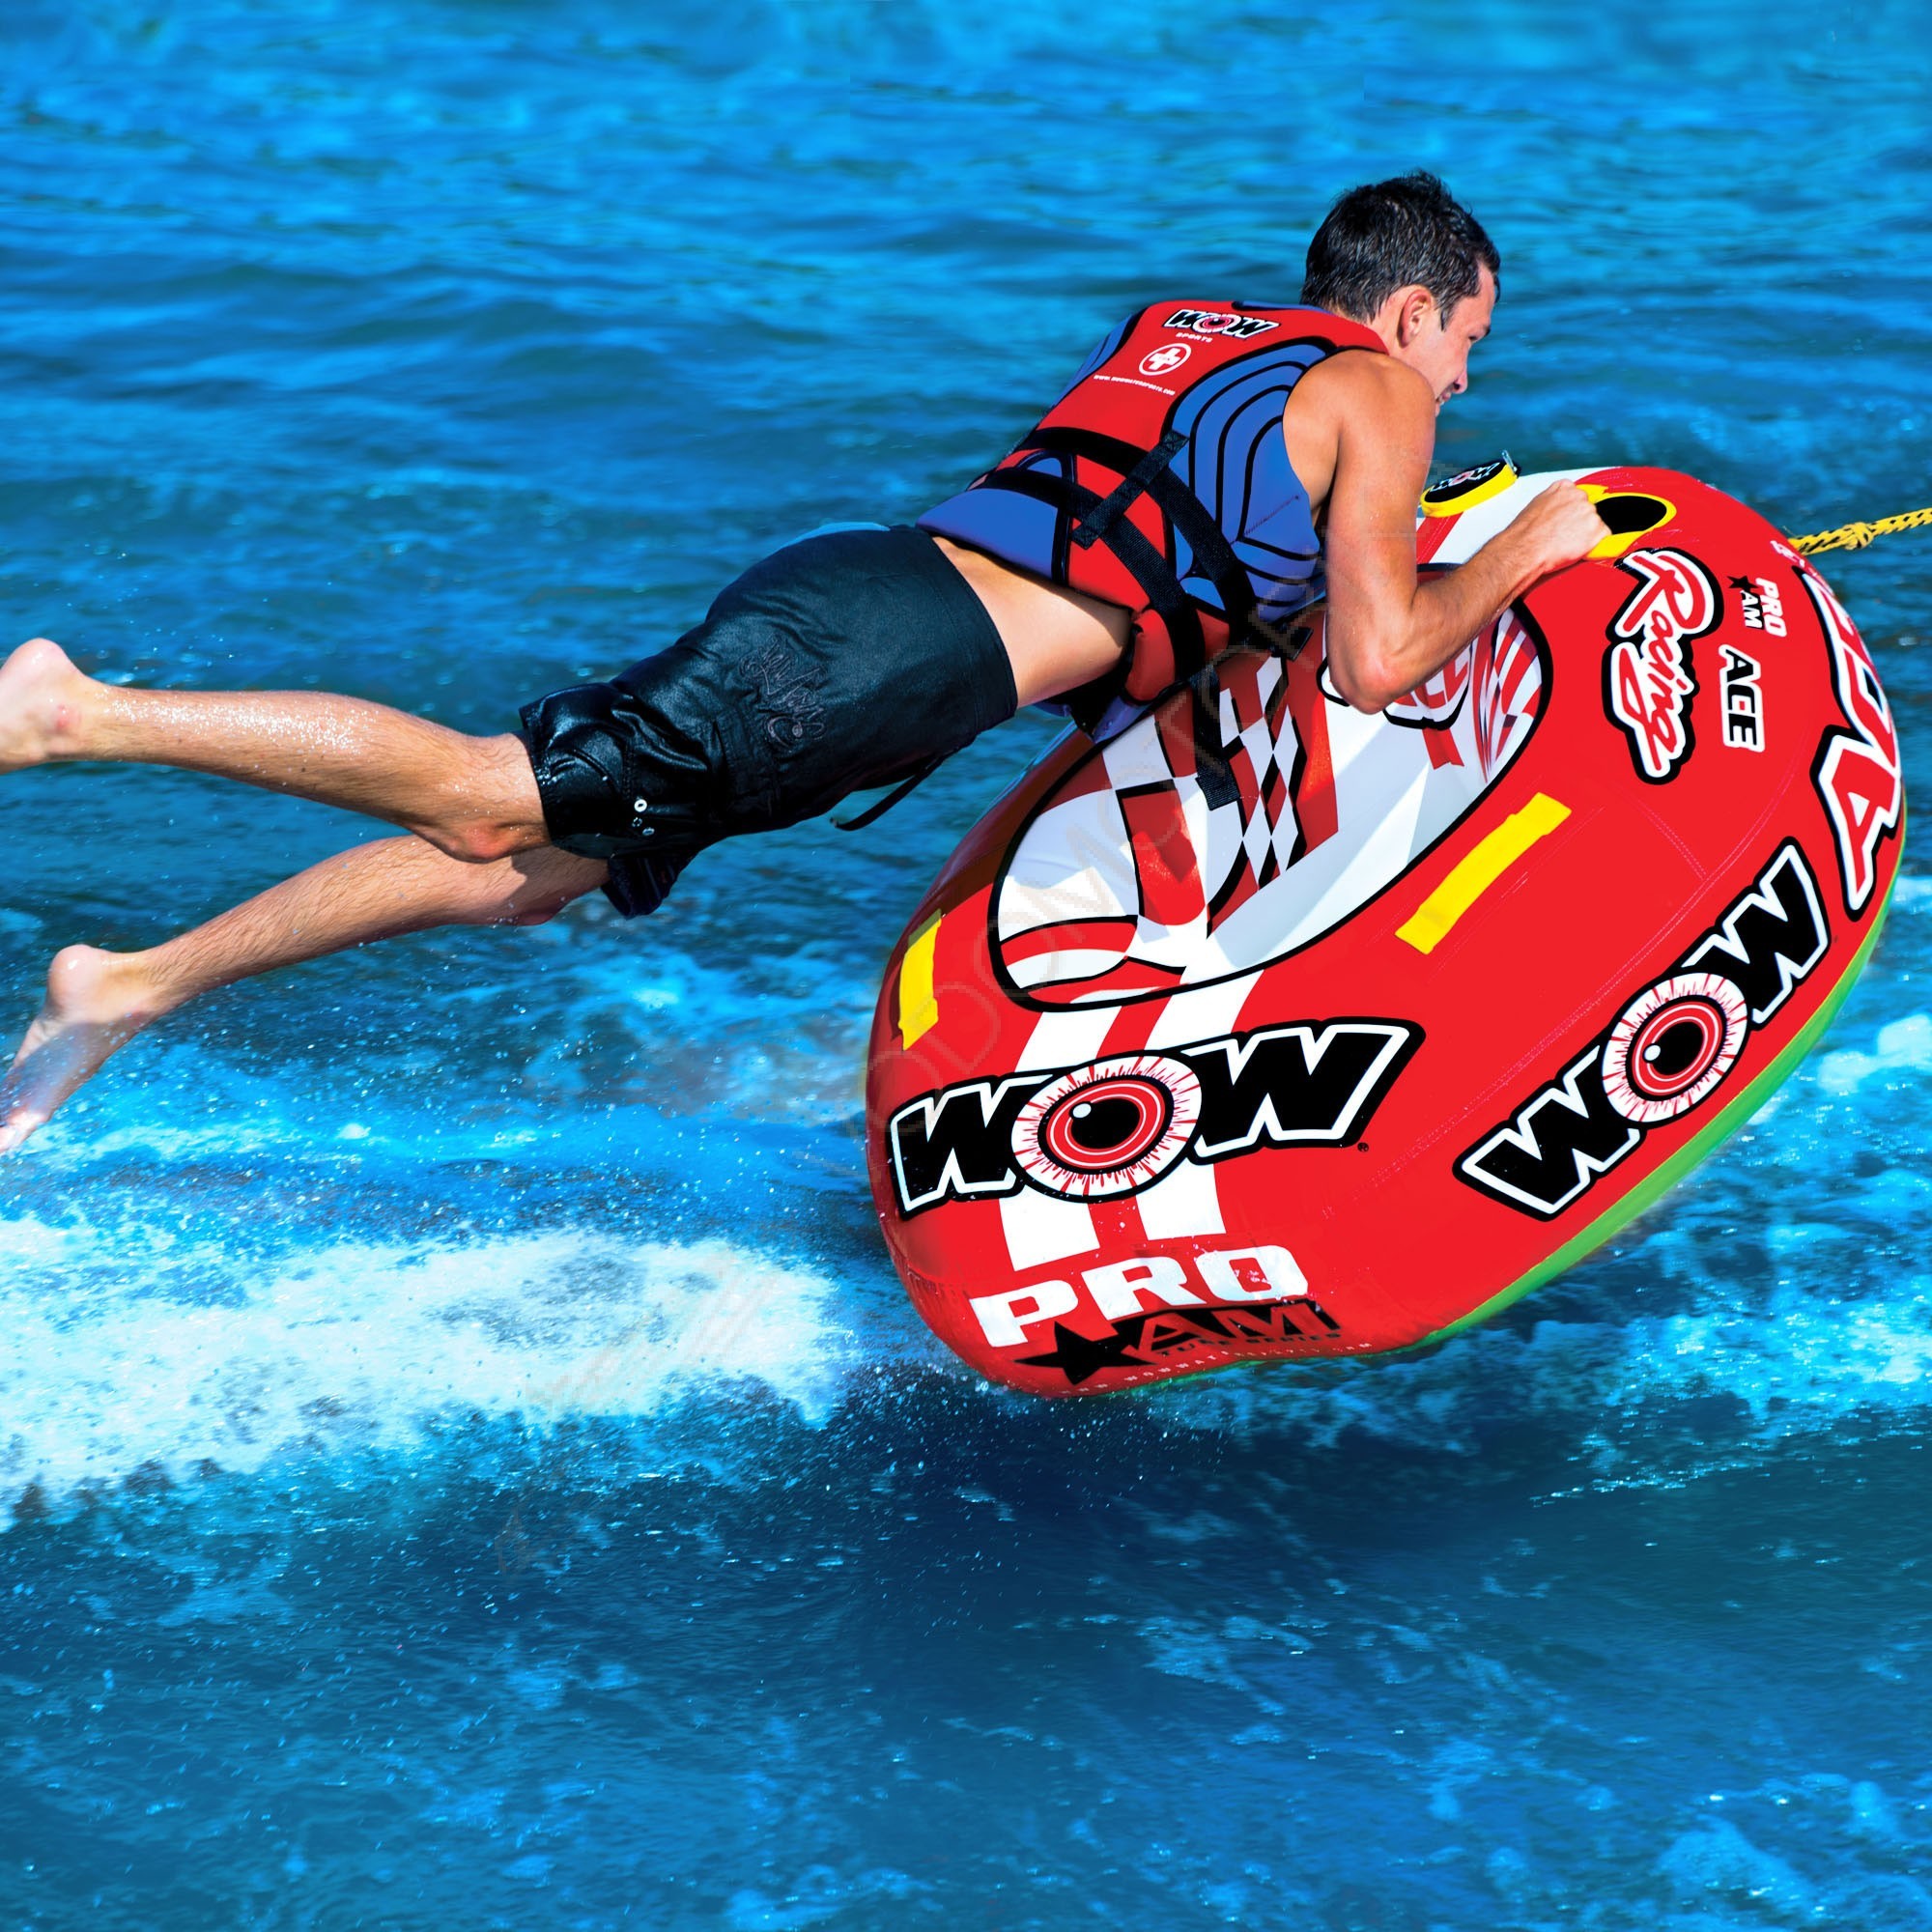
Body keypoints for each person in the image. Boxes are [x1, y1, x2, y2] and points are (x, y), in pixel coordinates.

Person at [0, 172, 1605, 1151]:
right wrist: (1522, 552)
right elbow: (1379, 659)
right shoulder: (1376, 390)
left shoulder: (1201, 335)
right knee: (491, 798)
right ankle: (76, 710)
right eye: (1469, 342)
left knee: (525, 877)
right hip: (869, 657)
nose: (1464, 384)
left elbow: (1166, 551)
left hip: (870, 614)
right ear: (1411, 311)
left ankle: (126, 986)